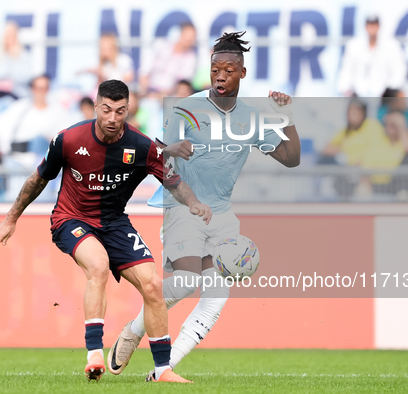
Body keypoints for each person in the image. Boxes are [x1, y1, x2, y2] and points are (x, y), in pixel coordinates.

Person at [0, 80, 211, 383]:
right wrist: (11, 218)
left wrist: (196, 205)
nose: (112, 118)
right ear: (97, 107)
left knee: (153, 285)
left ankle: (162, 370)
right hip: (71, 218)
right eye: (106, 110)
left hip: (114, 222)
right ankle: (94, 352)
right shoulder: (68, 140)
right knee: (98, 265)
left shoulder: (142, 146)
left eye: (120, 111)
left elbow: (172, 182)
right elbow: (38, 179)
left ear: (127, 110)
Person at [108, 32, 301, 378]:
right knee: (184, 281)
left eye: (228, 71)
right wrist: (170, 150)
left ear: (242, 73)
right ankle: (134, 331)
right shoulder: (187, 108)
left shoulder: (252, 118)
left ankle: (161, 374)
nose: (220, 77)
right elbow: (155, 155)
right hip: (183, 205)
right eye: (215, 70)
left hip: (222, 212)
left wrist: (287, 116)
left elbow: (291, 159)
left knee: (215, 297)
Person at [0, 74, 72, 168]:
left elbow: (68, 140)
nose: (41, 92)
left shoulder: (59, 112)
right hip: (17, 162)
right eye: (38, 88)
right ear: (32, 89)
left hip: (47, 165)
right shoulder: (20, 107)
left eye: (44, 88)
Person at [337, 15, 408, 97]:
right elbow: (346, 69)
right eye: (370, 25)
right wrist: (346, 89)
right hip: (358, 93)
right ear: (365, 27)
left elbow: (400, 70)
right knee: (353, 107)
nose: (372, 28)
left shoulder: (392, 46)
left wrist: (390, 90)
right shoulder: (353, 46)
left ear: (379, 27)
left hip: (384, 93)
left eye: (374, 25)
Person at [359, 110, 408, 195]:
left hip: (401, 186)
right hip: (379, 187)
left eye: (394, 124)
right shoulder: (377, 142)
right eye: (387, 123)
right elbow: (366, 170)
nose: (389, 126)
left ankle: (403, 194)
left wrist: (401, 125)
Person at [321, 98, 385, 166]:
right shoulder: (345, 131)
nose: (351, 116)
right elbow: (327, 148)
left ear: (363, 114)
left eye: (355, 113)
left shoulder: (372, 125)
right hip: (347, 167)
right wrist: (341, 151)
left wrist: (363, 161)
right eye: (350, 113)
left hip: (366, 168)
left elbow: (378, 147)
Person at [140, 23, 197, 97]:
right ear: (181, 34)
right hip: (149, 92)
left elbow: (182, 84)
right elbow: (144, 72)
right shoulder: (160, 46)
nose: (190, 39)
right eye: (188, 35)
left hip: (170, 96)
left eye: (193, 37)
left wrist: (162, 95)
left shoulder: (191, 58)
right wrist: (146, 93)